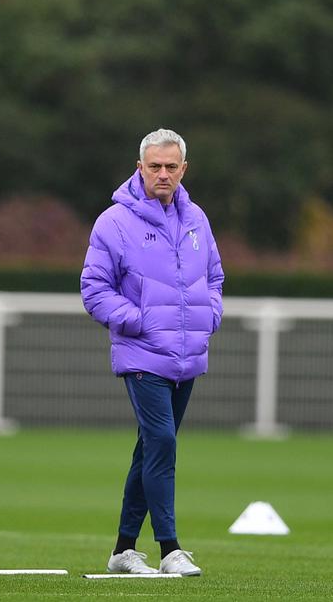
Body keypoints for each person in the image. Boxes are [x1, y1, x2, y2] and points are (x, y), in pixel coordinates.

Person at [81, 128, 222, 577]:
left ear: (184, 169)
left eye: (171, 166)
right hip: (143, 356)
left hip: (188, 357)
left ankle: (123, 550)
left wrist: (208, 317)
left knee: (150, 450)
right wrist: (140, 322)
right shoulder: (114, 222)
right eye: (154, 166)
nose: (163, 174)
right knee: (162, 443)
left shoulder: (197, 218)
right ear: (140, 167)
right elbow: (94, 290)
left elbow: (214, 278)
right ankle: (170, 549)